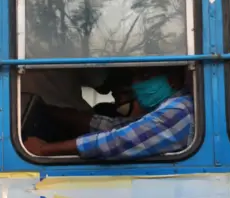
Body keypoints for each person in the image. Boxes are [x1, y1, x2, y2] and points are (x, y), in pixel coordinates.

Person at [23, 67, 194, 160]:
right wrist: (48, 110)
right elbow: (114, 127)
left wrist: (44, 150)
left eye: (145, 75)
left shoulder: (180, 110)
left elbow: (119, 141)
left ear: (173, 80)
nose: (136, 84)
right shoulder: (167, 108)